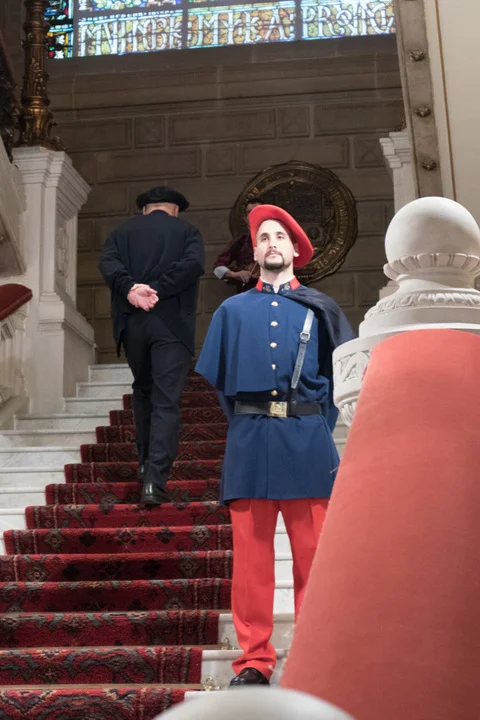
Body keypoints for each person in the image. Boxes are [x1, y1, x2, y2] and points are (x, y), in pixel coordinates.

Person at [196, 204, 354, 687]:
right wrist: (254, 423)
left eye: (279, 237)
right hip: (250, 442)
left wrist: (310, 424)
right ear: (255, 249)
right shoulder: (231, 312)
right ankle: (254, 660)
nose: (271, 243)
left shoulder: (321, 308)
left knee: (315, 559)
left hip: (308, 442)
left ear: (295, 249)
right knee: (251, 564)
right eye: (263, 237)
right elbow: (223, 389)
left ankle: (314, 655)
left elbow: (340, 382)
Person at [98, 185, 205, 506]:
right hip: (171, 325)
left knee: (143, 391)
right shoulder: (187, 231)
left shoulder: (121, 232)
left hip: (132, 324)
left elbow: (108, 264)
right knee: (165, 400)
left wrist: (132, 289)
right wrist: (158, 289)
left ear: (145, 209)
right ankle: (154, 482)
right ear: (175, 209)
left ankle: (144, 463)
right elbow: (192, 265)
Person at [213, 196, 262, 292]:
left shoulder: (278, 240)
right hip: (248, 293)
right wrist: (235, 274)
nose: (253, 215)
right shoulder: (240, 242)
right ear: (245, 219)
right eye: (250, 212)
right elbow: (217, 268)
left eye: (257, 211)